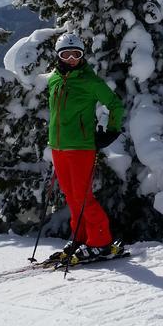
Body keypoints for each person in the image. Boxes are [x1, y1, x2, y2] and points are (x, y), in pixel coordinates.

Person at [46, 32, 126, 264]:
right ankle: (81, 237)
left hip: (81, 147)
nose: (71, 58)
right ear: (59, 56)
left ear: (82, 56)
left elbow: (115, 104)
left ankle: (100, 242)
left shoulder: (90, 81)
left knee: (83, 197)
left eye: (76, 54)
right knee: (71, 196)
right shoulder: (54, 79)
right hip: (58, 147)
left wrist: (111, 130)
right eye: (66, 54)